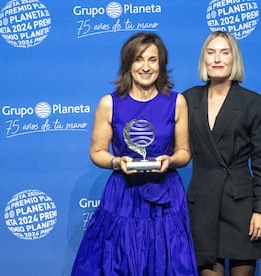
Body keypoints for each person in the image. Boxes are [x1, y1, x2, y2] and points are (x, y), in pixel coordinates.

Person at [71, 32, 198, 276]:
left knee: (167, 264)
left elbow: (184, 152)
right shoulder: (109, 103)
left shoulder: (177, 101)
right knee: (119, 263)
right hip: (123, 196)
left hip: (166, 196)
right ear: (128, 64)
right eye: (139, 59)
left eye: (153, 60)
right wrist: (117, 162)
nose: (146, 67)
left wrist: (170, 161)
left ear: (161, 65)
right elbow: (97, 152)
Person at [183, 31, 261, 276]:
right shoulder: (187, 99)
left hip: (241, 207)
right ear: (203, 59)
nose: (217, 59)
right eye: (211, 52)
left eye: (225, 53)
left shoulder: (256, 104)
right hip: (201, 203)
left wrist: (260, 210)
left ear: (234, 59)